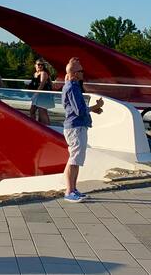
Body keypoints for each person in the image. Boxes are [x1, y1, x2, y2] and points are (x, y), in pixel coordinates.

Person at [61, 57, 104, 203]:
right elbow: (79, 111)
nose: (83, 73)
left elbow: (78, 109)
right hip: (75, 126)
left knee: (76, 159)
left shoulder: (73, 86)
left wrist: (93, 110)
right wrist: (95, 107)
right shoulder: (72, 87)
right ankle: (69, 191)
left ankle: (73, 189)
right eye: (81, 71)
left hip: (77, 126)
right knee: (74, 159)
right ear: (74, 73)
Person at [29, 59, 54, 125]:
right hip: (38, 95)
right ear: (35, 65)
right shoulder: (35, 74)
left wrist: (35, 95)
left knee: (42, 112)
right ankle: (35, 126)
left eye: (42, 65)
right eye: (39, 64)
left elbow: (42, 84)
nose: (40, 66)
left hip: (43, 96)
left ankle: (48, 129)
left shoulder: (43, 73)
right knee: (32, 111)